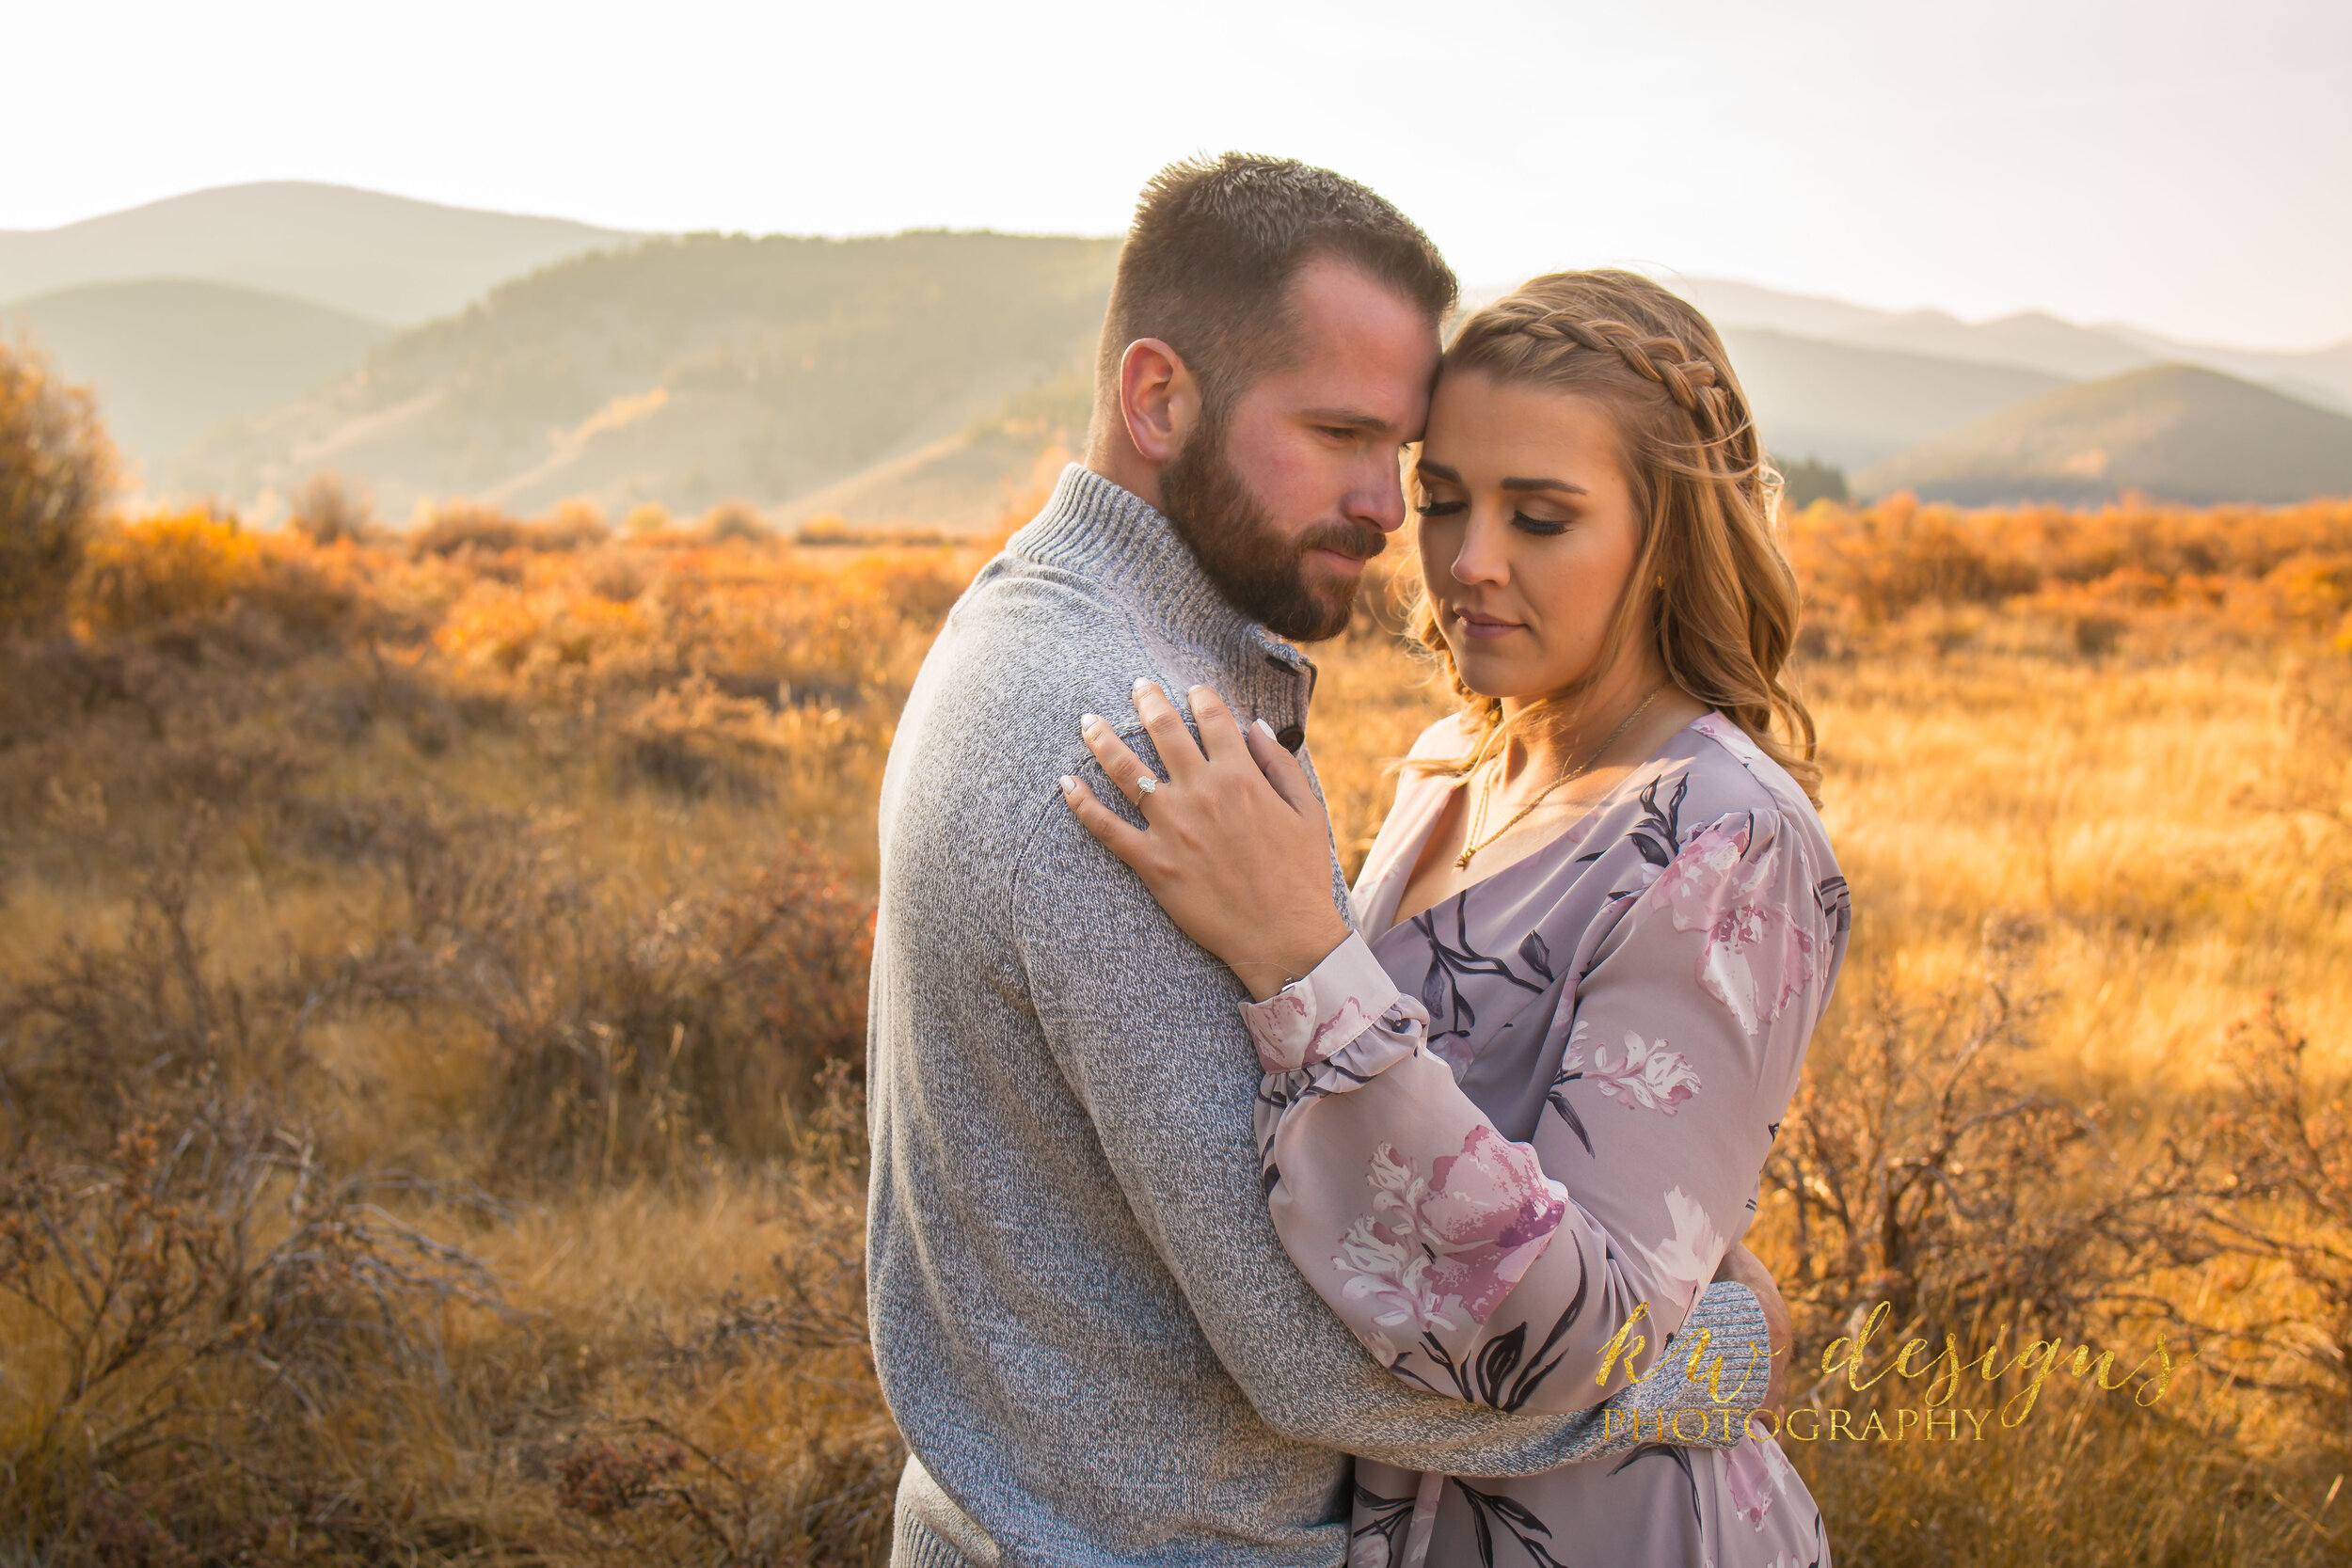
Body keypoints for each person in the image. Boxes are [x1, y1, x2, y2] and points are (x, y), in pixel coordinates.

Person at [867, 155, 1789, 1568]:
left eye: (1397, 459)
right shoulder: (1141, 746)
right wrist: (1726, 1352)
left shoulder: (1020, 624)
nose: (1389, 514)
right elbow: (1317, 1357)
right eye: (1348, 438)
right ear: (1159, 397)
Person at [1060, 268, 1847, 1566]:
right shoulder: (1451, 762)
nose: (1467, 563)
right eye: (1442, 501)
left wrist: (1296, 956)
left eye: (1541, 518)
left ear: (1667, 539)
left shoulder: (1728, 835)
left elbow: (1583, 1343)